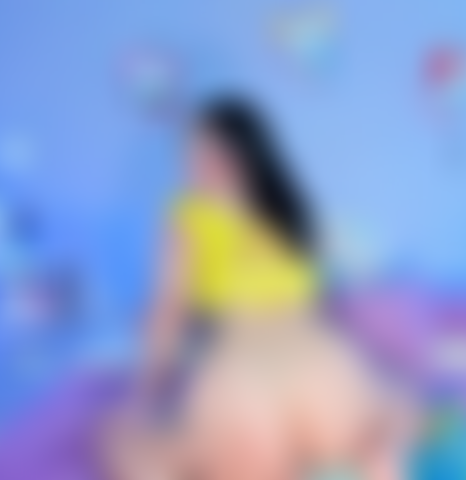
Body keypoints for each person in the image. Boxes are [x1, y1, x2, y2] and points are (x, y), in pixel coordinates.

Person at [105, 95, 413, 480]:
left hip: (242, 384)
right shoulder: (293, 213)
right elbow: (330, 293)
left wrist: (145, 387)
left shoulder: (189, 214)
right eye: (190, 157)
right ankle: (378, 464)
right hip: (327, 374)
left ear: (243, 157)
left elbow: (168, 307)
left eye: (203, 157)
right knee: (398, 410)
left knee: (119, 438)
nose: (193, 168)